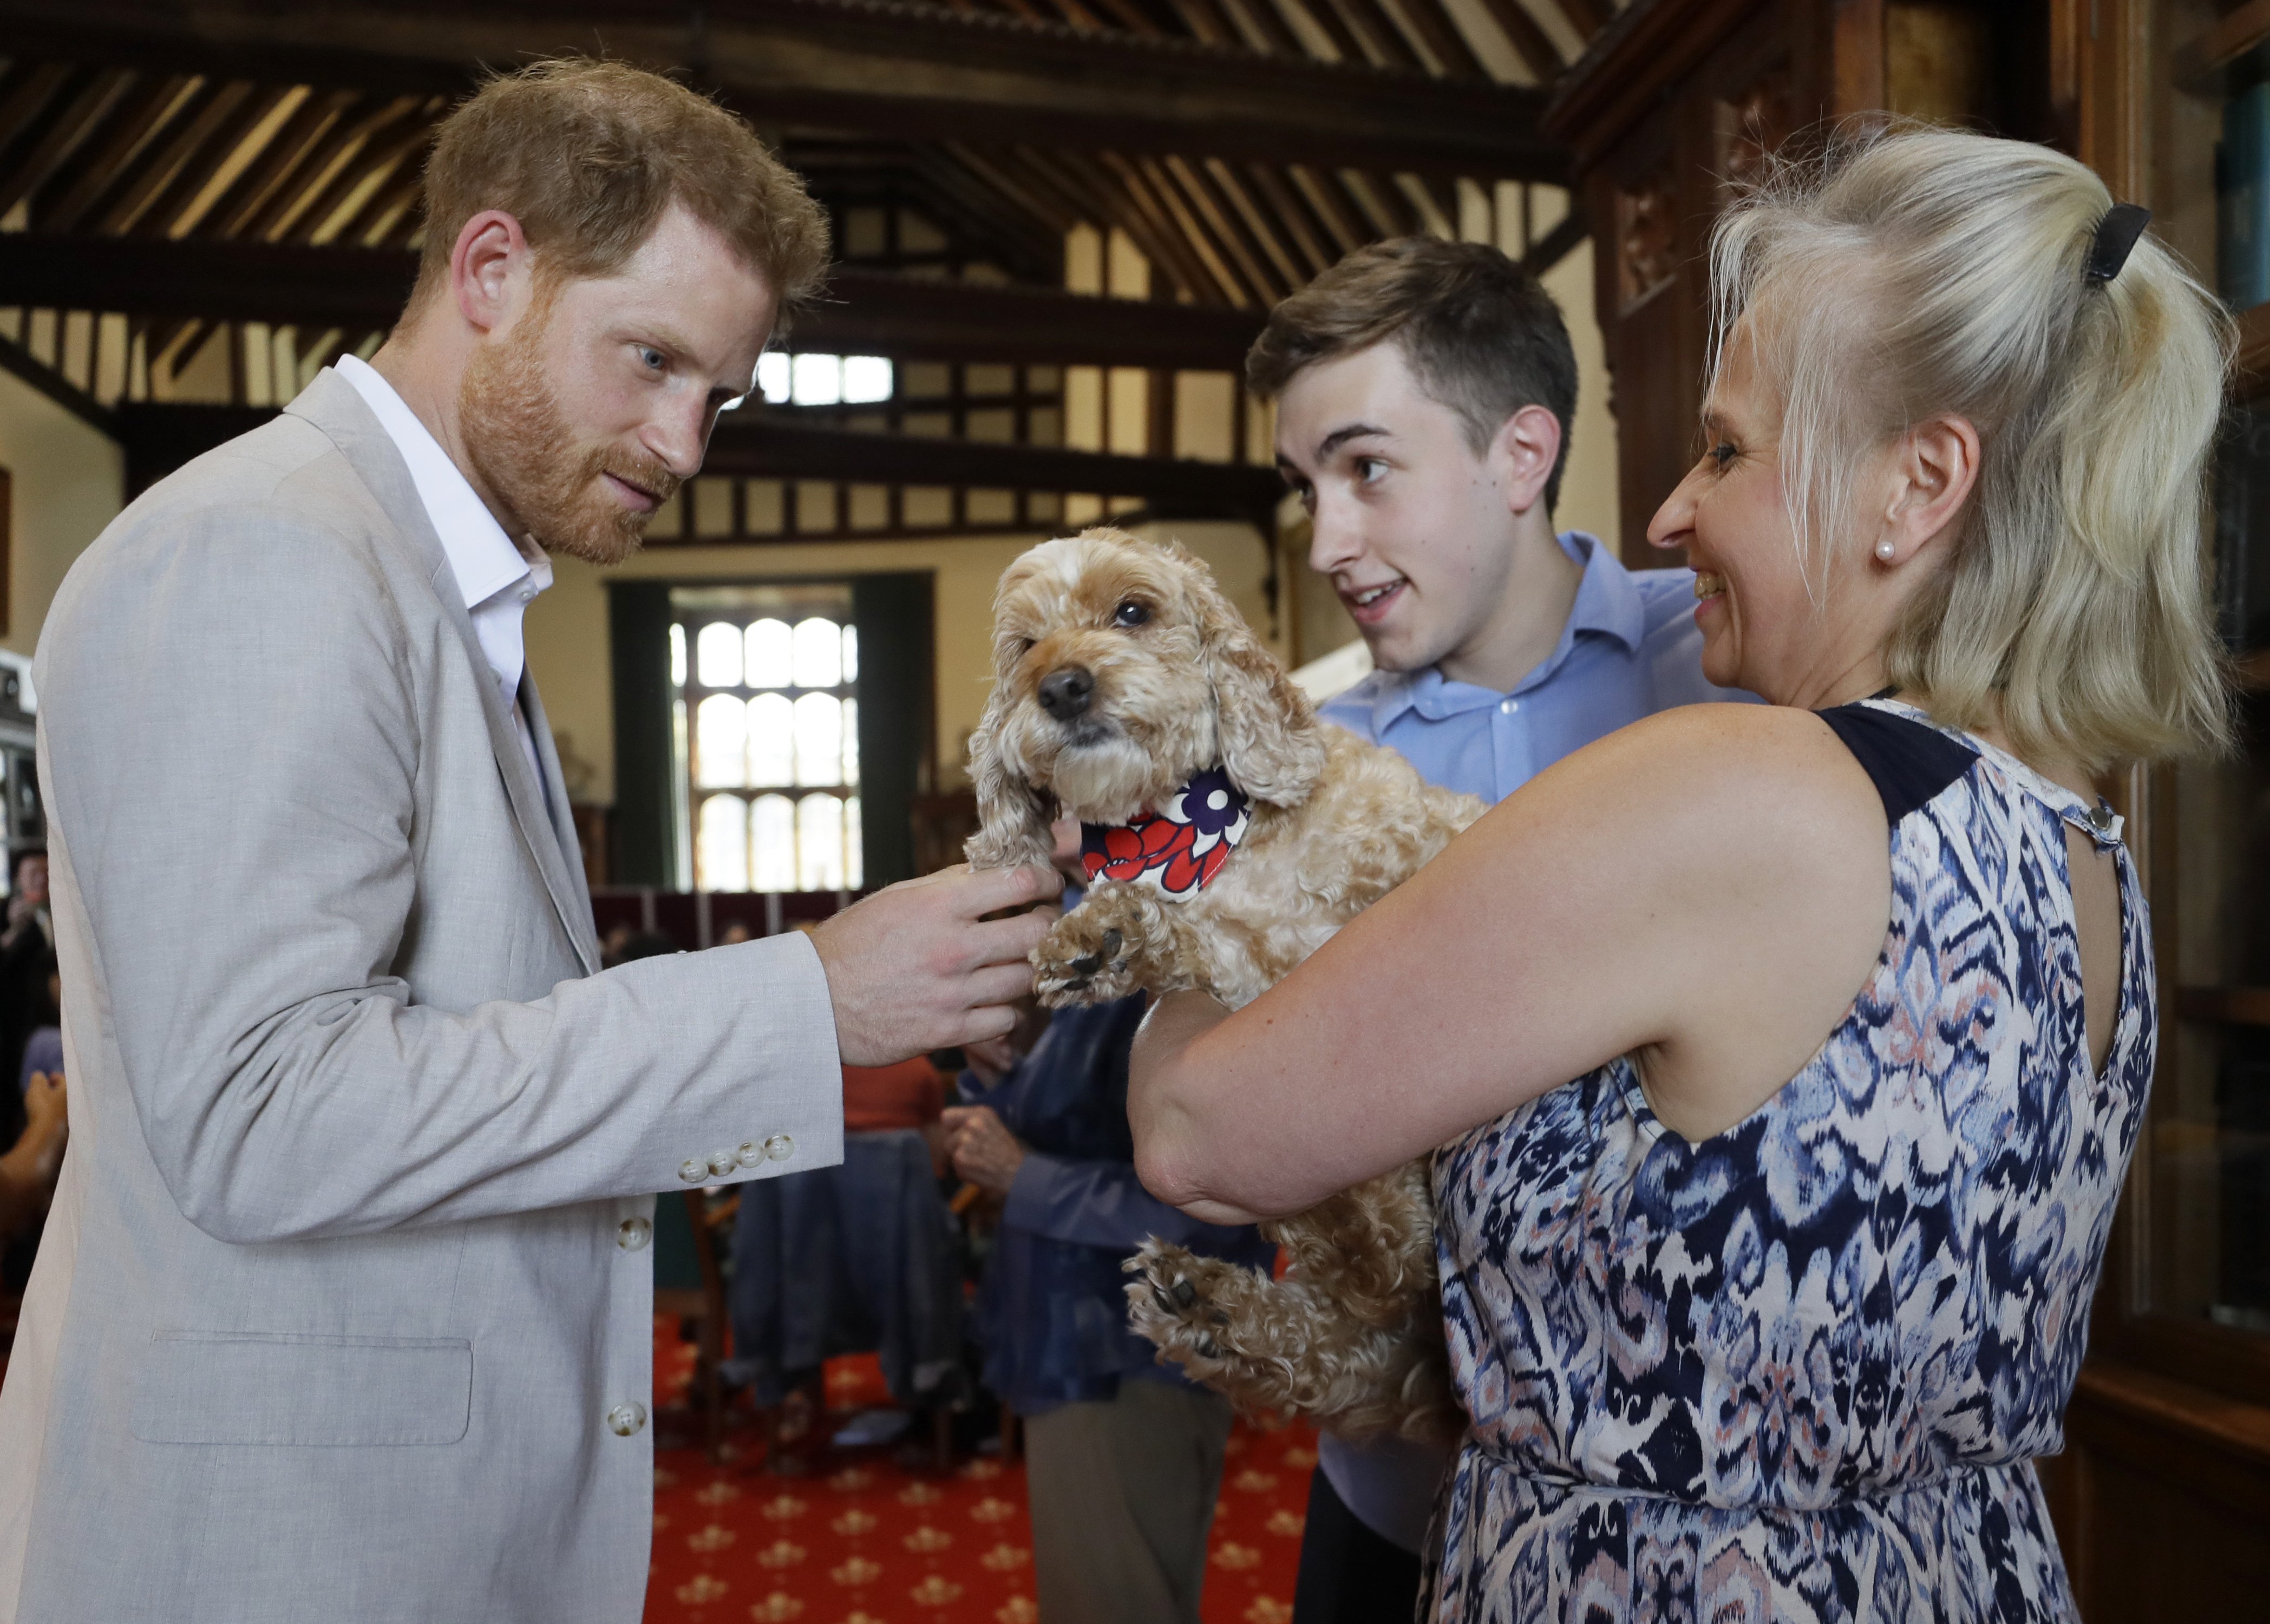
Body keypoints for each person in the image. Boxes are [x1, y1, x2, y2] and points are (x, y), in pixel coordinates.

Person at [0, 60, 1058, 1624]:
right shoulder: (265, 551)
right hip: (278, 1549)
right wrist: (807, 1001)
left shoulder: (423, 574)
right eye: (649, 359)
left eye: (719, 394)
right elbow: (263, 1114)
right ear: (490, 270)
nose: (687, 443)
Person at [1127, 125, 2227, 1621]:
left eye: (1726, 450)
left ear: (1918, 485)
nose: (1668, 508)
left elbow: (1201, 1128)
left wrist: (1158, 927)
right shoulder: (2084, 843)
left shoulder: (1732, 752)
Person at [1249, 234, 1750, 1616]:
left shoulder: (1728, 670)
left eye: (1365, 470)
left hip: (1687, 1519)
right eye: (1307, 488)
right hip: (1393, 1495)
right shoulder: (1302, 761)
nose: (1326, 541)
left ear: (1520, 457)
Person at [945, 823, 1277, 1624]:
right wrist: (1002, 1058)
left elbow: (1208, 1199)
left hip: (1127, 1350)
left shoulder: (1182, 945)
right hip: (1076, 1334)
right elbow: (1054, 1115)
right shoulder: (1097, 930)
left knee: (1114, 1600)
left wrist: (1024, 1178)